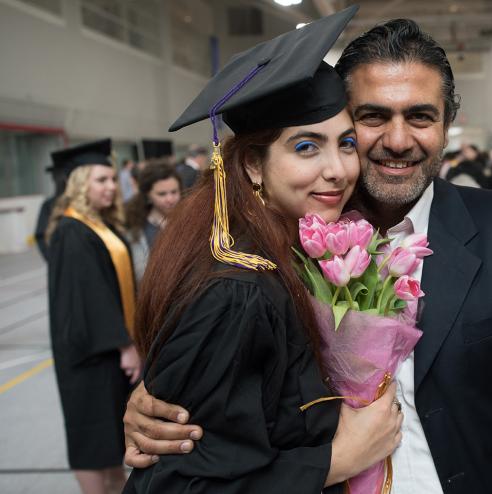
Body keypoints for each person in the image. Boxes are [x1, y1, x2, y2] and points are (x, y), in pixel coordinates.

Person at [125, 17, 492, 493]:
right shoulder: (285, 249)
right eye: (372, 117)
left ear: (447, 125)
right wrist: (157, 399)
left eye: (420, 117)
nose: (397, 140)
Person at [123, 7, 401, 493]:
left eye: (347, 143)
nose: (337, 169)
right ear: (252, 164)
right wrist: (339, 460)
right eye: (307, 147)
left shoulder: (298, 251)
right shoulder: (237, 291)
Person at [45, 138, 141, 494]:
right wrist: (123, 344)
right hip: (88, 355)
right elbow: (89, 298)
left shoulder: (98, 225)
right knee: (91, 437)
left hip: (107, 351)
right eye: (101, 180)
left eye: (113, 179)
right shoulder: (73, 230)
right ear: (80, 183)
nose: (111, 187)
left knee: (110, 438)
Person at [124, 163, 182, 281]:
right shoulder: (137, 228)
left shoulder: (188, 221)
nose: (170, 199)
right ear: (148, 196)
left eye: (174, 192)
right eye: (162, 194)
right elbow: (140, 274)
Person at [34, 159, 69, 261]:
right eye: (57, 176)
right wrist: (52, 258)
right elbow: (41, 235)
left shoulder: (78, 203)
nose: (60, 180)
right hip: (57, 259)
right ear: (53, 178)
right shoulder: (48, 205)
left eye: (63, 176)